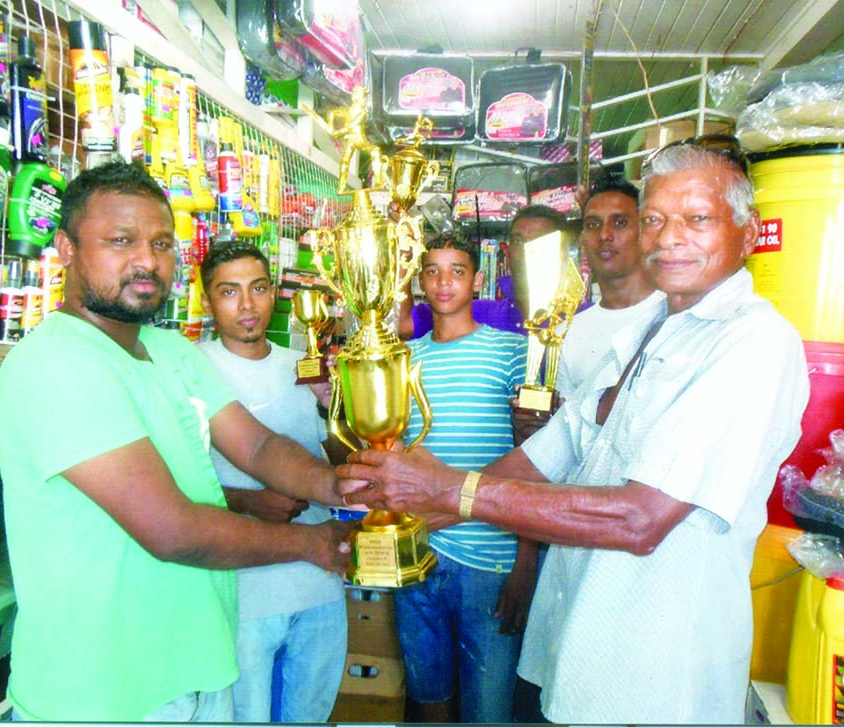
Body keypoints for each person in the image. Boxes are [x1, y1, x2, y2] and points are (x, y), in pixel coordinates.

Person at [336, 138, 811, 724]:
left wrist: (451, 492)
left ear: (747, 230)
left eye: (697, 219)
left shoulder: (753, 343)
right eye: (656, 220)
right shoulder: (648, 332)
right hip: (582, 651)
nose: (667, 237)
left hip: (659, 677)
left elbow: (641, 518)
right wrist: (405, 507)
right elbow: (547, 454)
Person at [0, 161, 352, 722]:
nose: (146, 260)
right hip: (103, 695)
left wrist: (339, 484)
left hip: (200, 673)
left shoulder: (171, 350)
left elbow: (256, 447)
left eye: (161, 243)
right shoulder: (55, 362)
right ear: (65, 248)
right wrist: (314, 545)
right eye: (120, 241)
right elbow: (173, 531)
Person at [197, 241, 346, 723]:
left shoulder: (302, 363)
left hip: (319, 575)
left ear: (276, 294)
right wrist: (246, 500)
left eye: (258, 289)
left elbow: (340, 457)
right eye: (229, 292)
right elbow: (170, 484)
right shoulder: (191, 369)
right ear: (206, 301)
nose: (246, 306)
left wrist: (335, 407)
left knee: (311, 714)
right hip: (245, 585)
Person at [393, 234, 534, 723]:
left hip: (490, 558)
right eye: (432, 270)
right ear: (420, 281)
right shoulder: (402, 360)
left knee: (488, 709)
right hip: (418, 550)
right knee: (429, 699)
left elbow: (534, 460)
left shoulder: (513, 352)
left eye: (456, 271)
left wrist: (526, 560)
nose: (443, 281)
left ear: (477, 280)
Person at [554, 176, 663, 395]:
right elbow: (565, 426)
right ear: (582, 239)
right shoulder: (565, 334)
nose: (604, 235)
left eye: (620, 223)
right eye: (593, 225)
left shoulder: (677, 315)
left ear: (645, 231)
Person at [398, 204, 566, 340]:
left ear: (561, 253)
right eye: (517, 241)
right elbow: (403, 325)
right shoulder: (477, 312)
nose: (525, 250)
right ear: (507, 251)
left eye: (538, 241)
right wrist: (404, 250)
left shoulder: (581, 317)